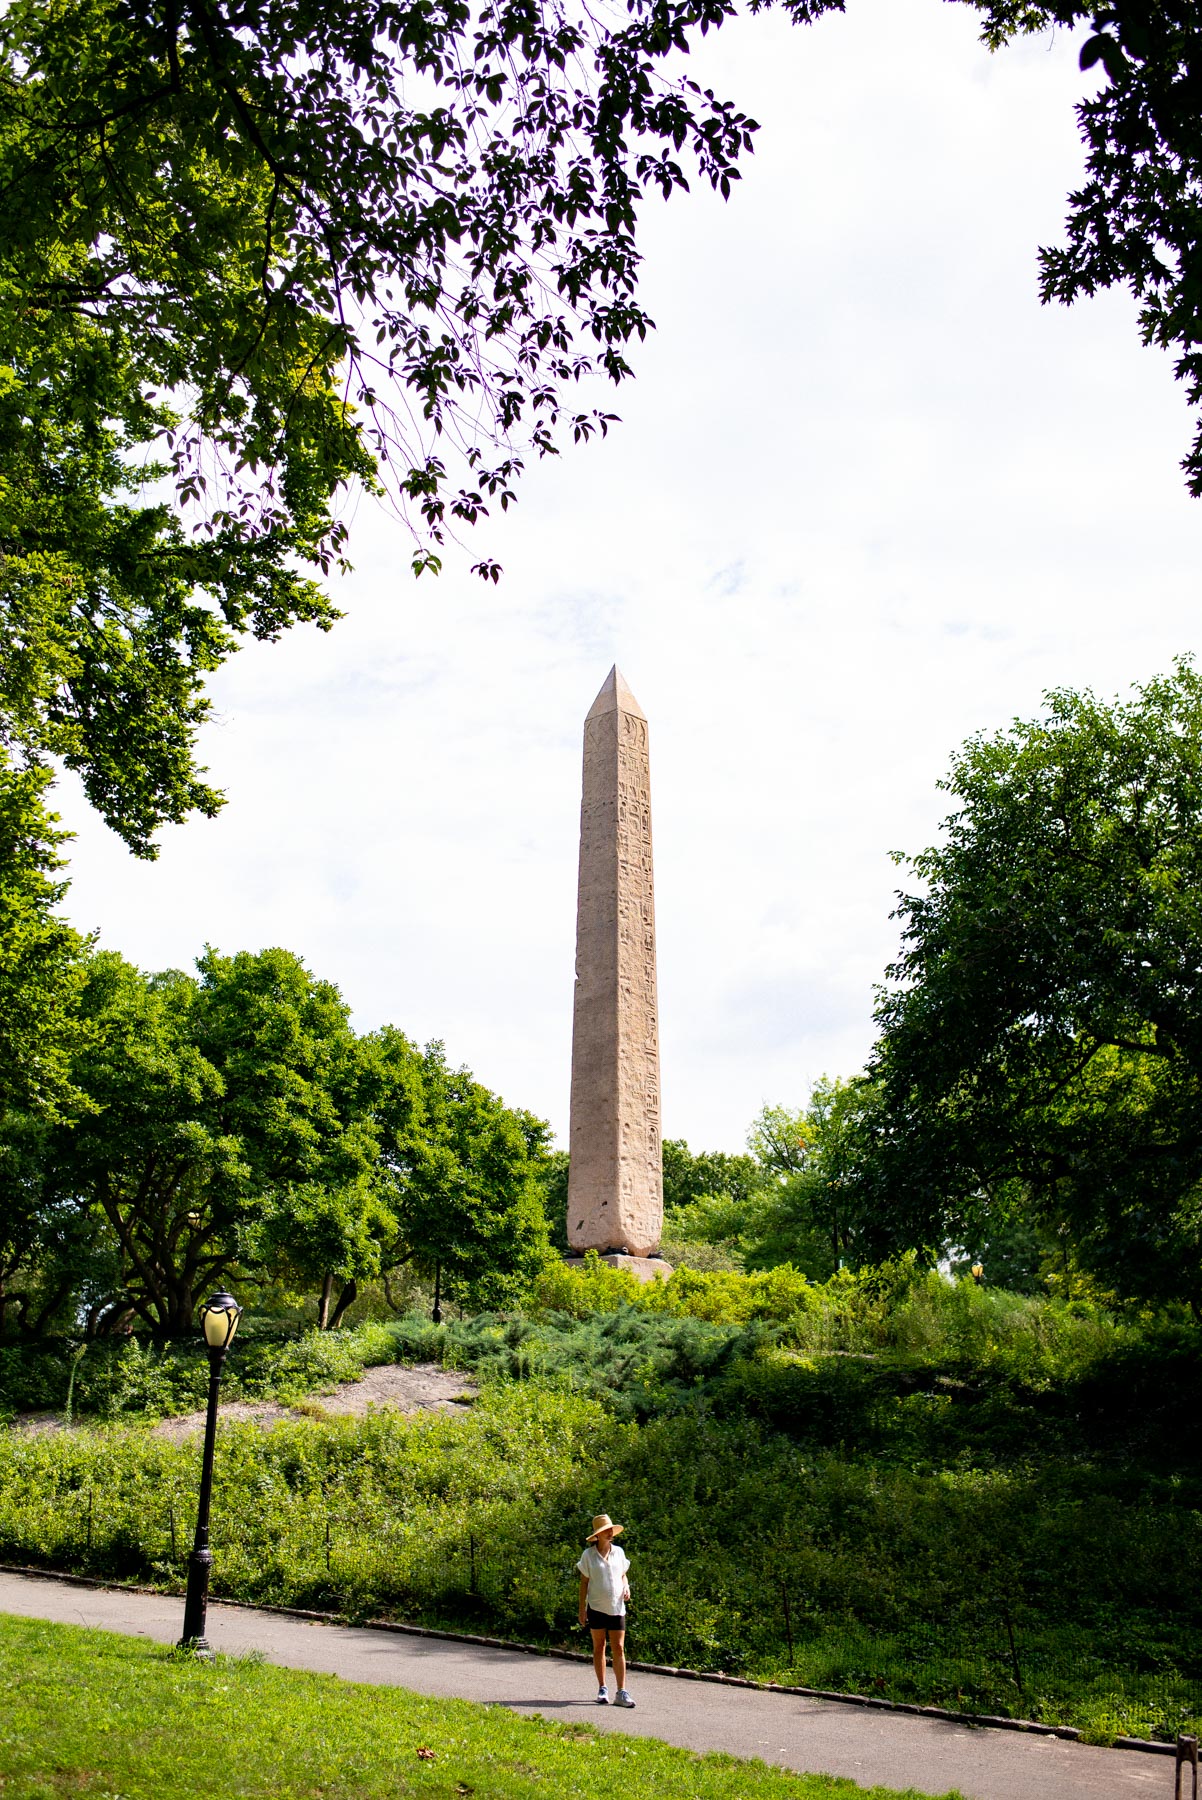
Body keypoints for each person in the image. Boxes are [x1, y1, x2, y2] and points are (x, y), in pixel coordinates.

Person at [576, 1513, 634, 1707]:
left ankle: (622, 1691)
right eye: (605, 1531)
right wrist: (582, 1609)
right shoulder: (588, 1555)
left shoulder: (619, 1552)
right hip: (596, 1607)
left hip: (617, 1607)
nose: (610, 1533)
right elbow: (584, 1583)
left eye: (611, 1530)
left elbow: (623, 1574)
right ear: (597, 1535)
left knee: (618, 1647)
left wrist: (626, 1586)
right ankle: (602, 1688)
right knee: (599, 1646)